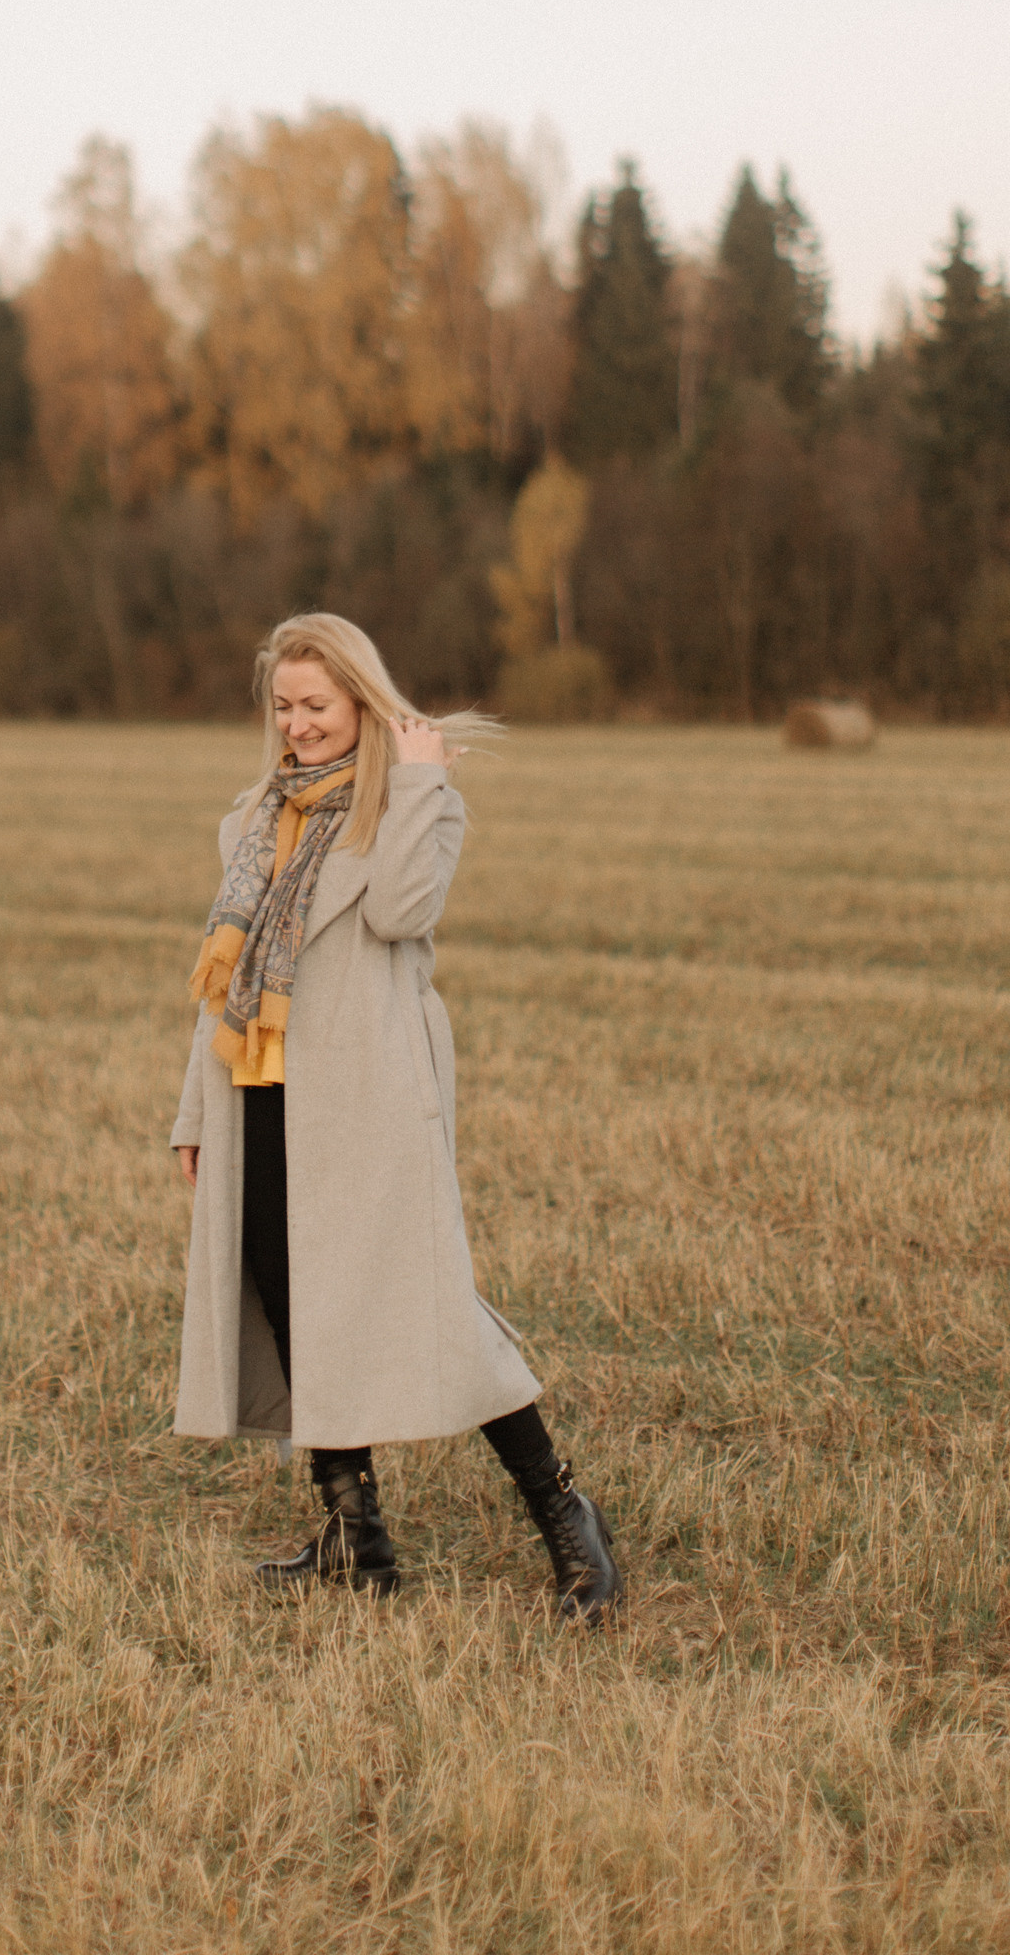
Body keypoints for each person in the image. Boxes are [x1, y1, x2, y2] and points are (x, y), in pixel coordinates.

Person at [170, 611, 622, 1622]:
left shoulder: (415, 804)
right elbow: (223, 981)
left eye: (316, 705)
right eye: (282, 706)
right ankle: (354, 1538)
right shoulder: (253, 820)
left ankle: (566, 1519)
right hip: (262, 1097)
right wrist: (192, 1115)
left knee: (435, 1311)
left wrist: (417, 780)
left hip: (370, 1100)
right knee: (298, 1311)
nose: (296, 724)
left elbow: (401, 914)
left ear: (360, 701)